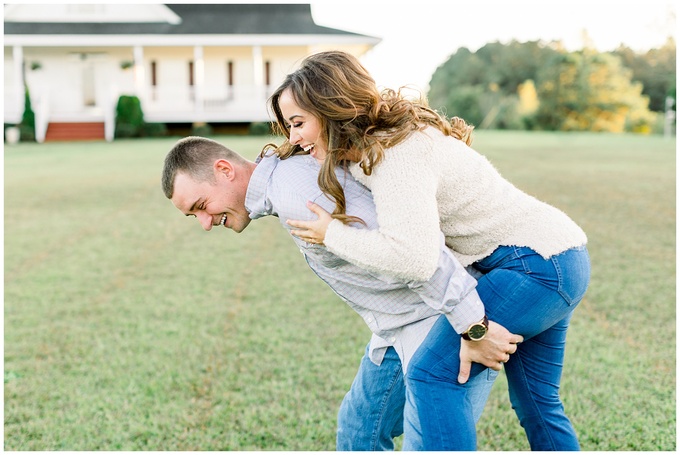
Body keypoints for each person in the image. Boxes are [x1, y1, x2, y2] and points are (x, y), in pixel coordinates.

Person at [271, 50, 591, 451]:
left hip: (534, 266)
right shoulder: (371, 149)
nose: (293, 138)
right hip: (562, 256)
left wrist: (330, 235)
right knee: (538, 404)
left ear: (331, 107)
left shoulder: (393, 154)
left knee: (431, 375)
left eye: (298, 123)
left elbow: (415, 259)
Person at [161, 136, 521, 450]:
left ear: (225, 170)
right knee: (359, 431)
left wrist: (474, 325)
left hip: (441, 320)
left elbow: (415, 251)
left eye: (200, 207)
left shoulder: (293, 193)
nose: (206, 223)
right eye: (195, 217)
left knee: (427, 443)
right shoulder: (281, 186)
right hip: (397, 325)